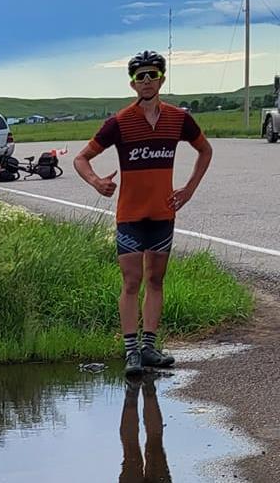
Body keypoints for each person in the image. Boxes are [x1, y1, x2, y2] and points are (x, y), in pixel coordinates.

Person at [74, 51, 212, 376]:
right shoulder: (120, 123)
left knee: (156, 279)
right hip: (130, 216)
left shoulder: (179, 118)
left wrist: (189, 189)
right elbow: (81, 158)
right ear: (132, 84)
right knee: (132, 281)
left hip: (163, 214)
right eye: (140, 76)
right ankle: (131, 352)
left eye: (152, 75)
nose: (147, 81)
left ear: (162, 79)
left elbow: (205, 150)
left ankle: (149, 349)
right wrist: (96, 182)